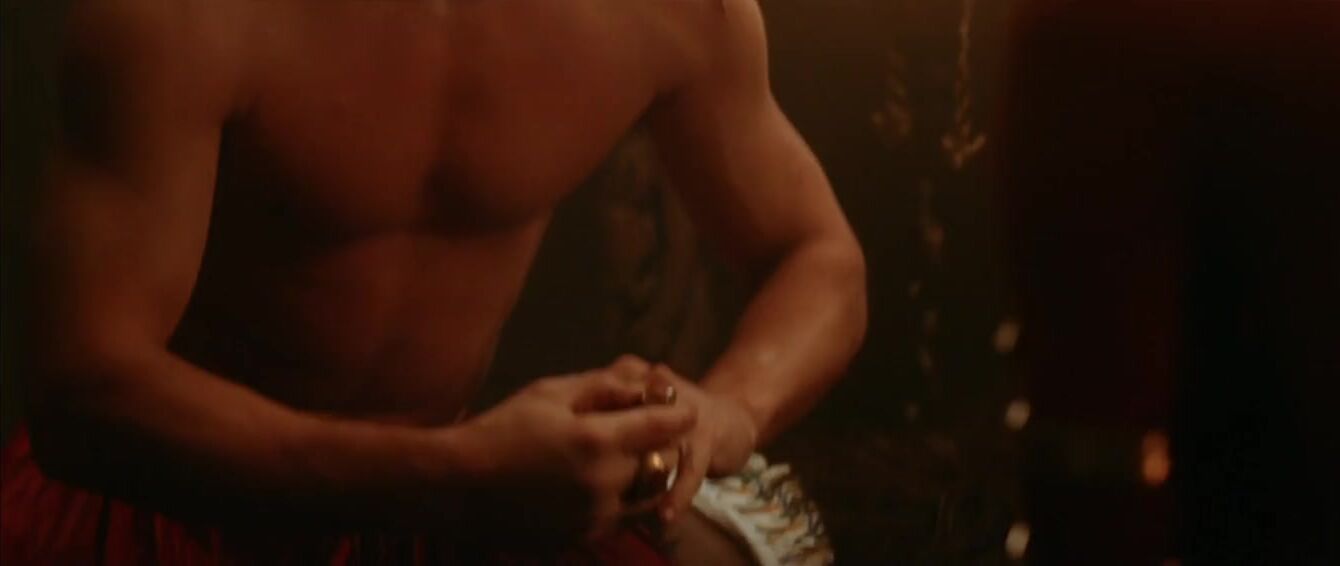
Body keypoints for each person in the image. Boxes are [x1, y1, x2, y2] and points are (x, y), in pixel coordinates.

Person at [0, 0, 867, 563]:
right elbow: (83, 391)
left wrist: (727, 411)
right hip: (164, 507)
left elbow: (818, 256)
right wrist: (453, 473)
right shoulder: (183, 16)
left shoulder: (676, 11)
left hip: (456, 501)